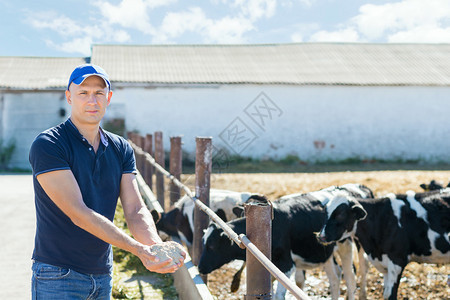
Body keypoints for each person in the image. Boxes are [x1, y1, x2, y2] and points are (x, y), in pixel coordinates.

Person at [29, 64, 186, 299]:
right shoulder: (49, 144)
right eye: (83, 93)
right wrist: (138, 250)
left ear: (108, 98)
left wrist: (155, 249)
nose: (92, 100)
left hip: (102, 274)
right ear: (69, 97)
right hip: (58, 274)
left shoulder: (120, 147)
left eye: (99, 93)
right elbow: (78, 213)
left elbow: (134, 209)